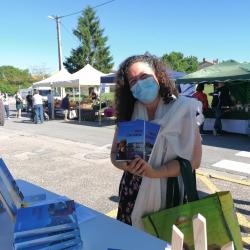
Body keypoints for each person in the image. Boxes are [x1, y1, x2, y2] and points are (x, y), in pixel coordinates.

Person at [110, 54, 202, 228]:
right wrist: (125, 165)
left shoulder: (184, 110)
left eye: (144, 76)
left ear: (158, 76)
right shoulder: (129, 113)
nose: (139, 83)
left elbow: (194, 162)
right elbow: (114, 154)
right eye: (133, 81)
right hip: (132, 192)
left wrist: (155, 172)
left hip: (170, 193)